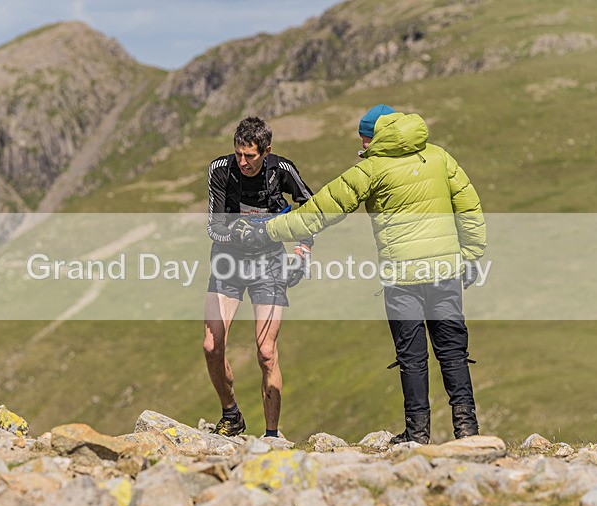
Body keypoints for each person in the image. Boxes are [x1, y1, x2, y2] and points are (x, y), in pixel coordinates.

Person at [242, 105, 486, 444]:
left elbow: (321, 210)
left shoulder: (371, 169)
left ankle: (417, 435)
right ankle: (468, 431)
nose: (363, 145)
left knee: (412, 358)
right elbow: (469, 206)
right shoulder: (439, 157)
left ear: (375, 136)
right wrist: (471, 255)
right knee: (453, 352)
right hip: (445, 273)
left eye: (364, 138)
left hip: (403, 279)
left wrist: (267, 230)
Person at [204, 116, 315, 438]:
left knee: (266, 352)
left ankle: (271, 435)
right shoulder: (220, 170)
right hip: (228, 262)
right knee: (212, 346)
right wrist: (238, 234)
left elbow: (311, 209)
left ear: (266, 151)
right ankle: (231, 415)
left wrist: (302, 252)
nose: (243, 162)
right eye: (238, 153)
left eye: (250, 156)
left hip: (269, 264)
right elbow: (213, 226)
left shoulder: (281, 169)